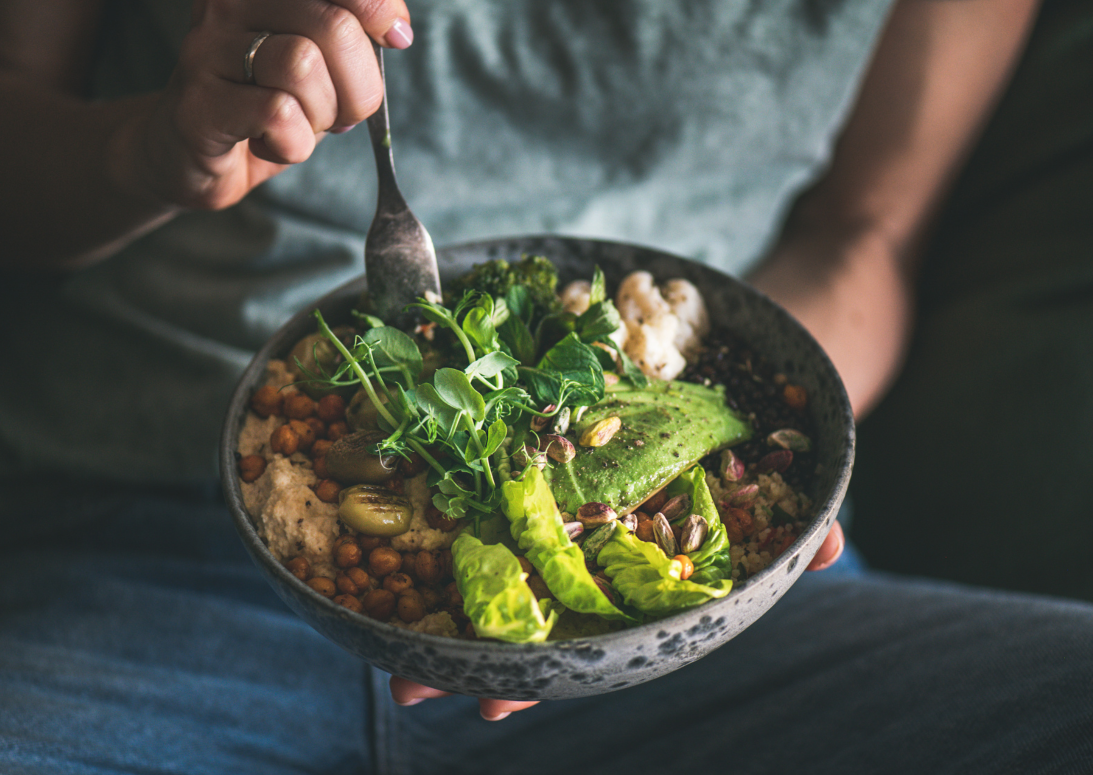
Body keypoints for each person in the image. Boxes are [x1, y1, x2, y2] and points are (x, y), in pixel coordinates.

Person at [2, 0, 1092, 772]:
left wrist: (750, 490)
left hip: (699, 634)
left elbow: (868, 233)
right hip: (138, 550)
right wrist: (153, 148)